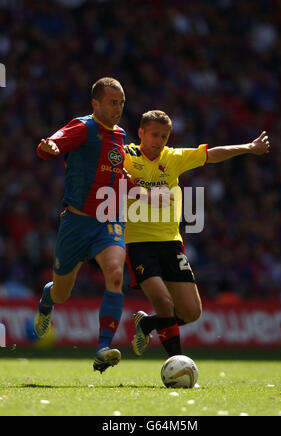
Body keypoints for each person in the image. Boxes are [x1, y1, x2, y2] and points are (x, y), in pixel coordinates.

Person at [124, 110, 270, 358]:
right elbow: (102, 164)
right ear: (141, 133)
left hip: (171, 243)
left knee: (191, 313)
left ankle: (147, 324)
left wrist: (248, 147)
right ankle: (176, 364)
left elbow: (212, 154)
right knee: (165, 303)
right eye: (154, 135)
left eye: (164, 136)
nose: (159, 141)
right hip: (138, 243)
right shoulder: (126, 155)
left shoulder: (173, 157)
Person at [34, 77, 128, 374]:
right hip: (76, 221)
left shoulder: (121, 135)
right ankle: (47, 301)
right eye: (113, 103)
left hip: (108, 220)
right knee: (63, 292)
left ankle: (103, 348)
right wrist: (49, 146)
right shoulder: (83, 126)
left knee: (115, 274)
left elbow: (117, 173)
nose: (118, 108)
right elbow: (53, 143)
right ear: (95, 103)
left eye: (122, 103)